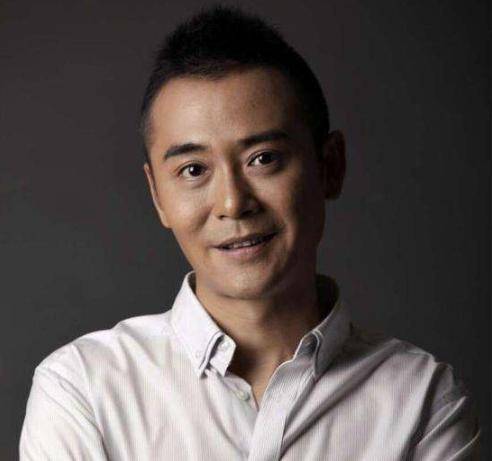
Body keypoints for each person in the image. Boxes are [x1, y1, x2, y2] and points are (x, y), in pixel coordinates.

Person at [19, 5, 480, 460]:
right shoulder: (83, 389)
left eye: (264, 159)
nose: (233, 203)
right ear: (157, 194)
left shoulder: (422, 401)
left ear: (330, 166)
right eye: (193, 169)